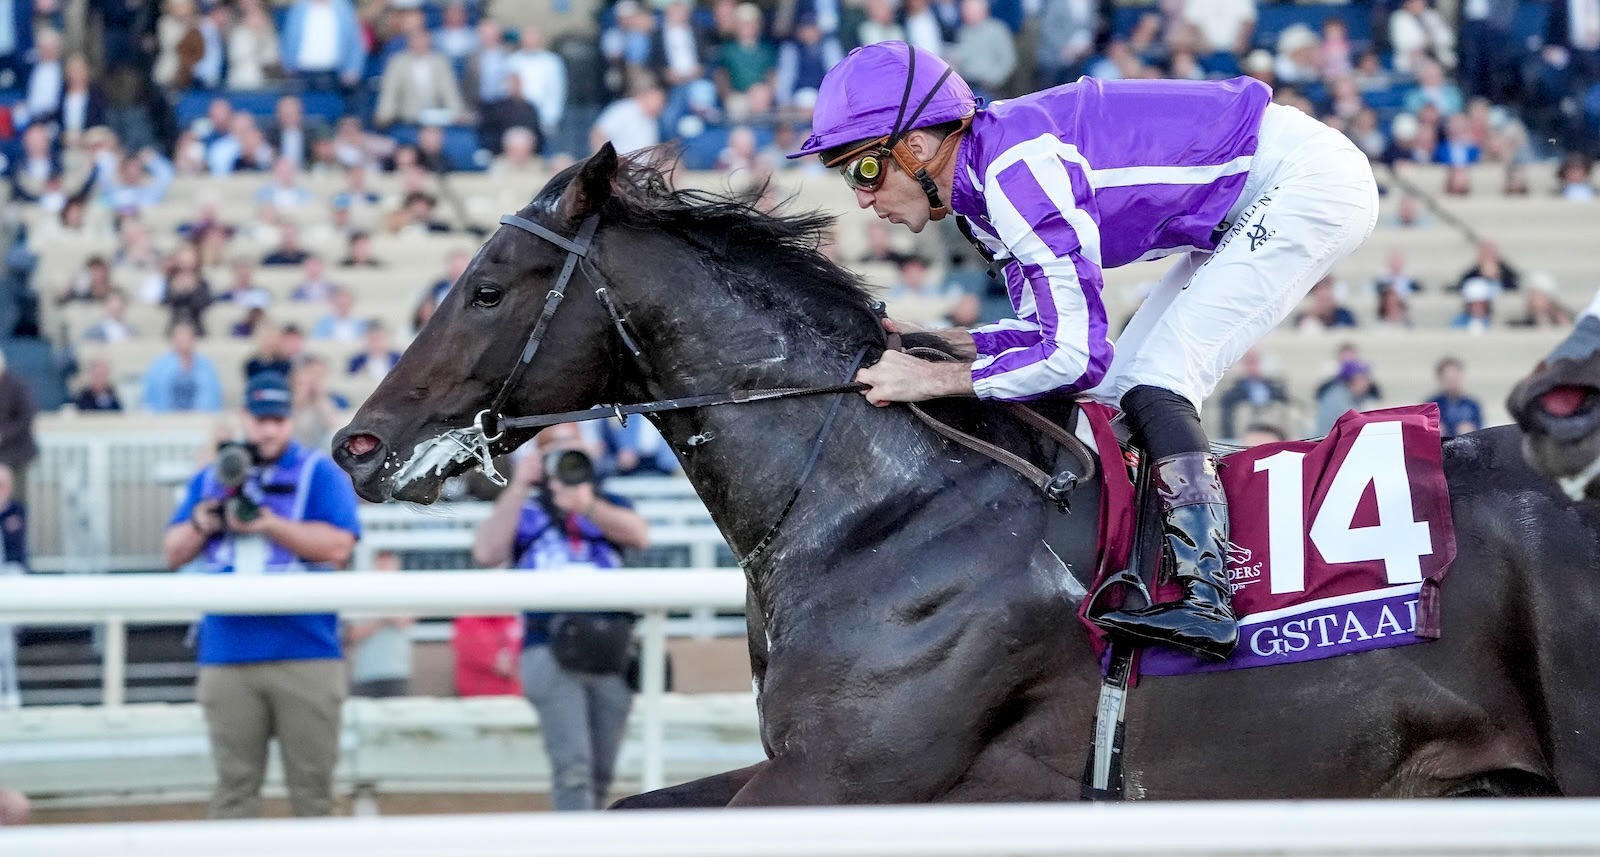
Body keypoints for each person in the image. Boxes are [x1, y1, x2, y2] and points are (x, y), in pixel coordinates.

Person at [790, 42, 1379, 661]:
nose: (860, 198)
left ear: (915, 145)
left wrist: (933, 380)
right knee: (1120, 391)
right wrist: (934, 344)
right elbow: (1050, 338)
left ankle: (1208, 593)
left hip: (1304, 182)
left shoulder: (1013, 172)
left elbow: (1072, 358)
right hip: (1245, 195)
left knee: (1156, 382)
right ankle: (1149, 572)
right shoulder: (983, 199)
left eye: (863, 170)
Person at [161, 371, 362, 819]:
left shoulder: (317, 471)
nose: (268, 429)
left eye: (276, 418)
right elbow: (171, 552)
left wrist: (270, 524)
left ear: (289, 420)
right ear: (244, 419)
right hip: (227, 652)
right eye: (259, 418)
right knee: (234, 794)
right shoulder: (215, 474)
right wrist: (202, 522)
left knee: (315, 796)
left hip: (306, 649)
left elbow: (339, 547)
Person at [471, 427, 650, 811]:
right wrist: (519, 486)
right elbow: (487, 552)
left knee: (601, 772)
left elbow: (639, 536)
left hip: (610, 646)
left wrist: (586, 505)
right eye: (558, 451)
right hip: (548, 645)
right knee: (573, 768)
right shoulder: (527, 509)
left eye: (576, 448)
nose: (569, 457)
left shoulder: (608, 502)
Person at [344, 551, 414, 698]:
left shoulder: (406, 594)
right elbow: (353, 634)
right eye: (381, 568)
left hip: (396, 672)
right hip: (365, 674)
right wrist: (383, 618)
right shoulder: (361, 597)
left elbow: (404, 622)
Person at [141, 322, 225, 413]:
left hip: (200, 419)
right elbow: (151, 397)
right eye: (180, 339)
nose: (184, 342)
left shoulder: (206, 365)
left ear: (194, 340)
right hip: (165, 420)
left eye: (187, 338)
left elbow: (213, 397)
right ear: (173, 341)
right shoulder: (159, 366)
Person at [1427, 357, 1484, 438]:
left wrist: (1472, 430)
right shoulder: (1431, 404)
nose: (1452, 382)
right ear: (1441, 379)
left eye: (1455, 378)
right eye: (1448, 379)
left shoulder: (1472, 404)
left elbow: (1480, 428)